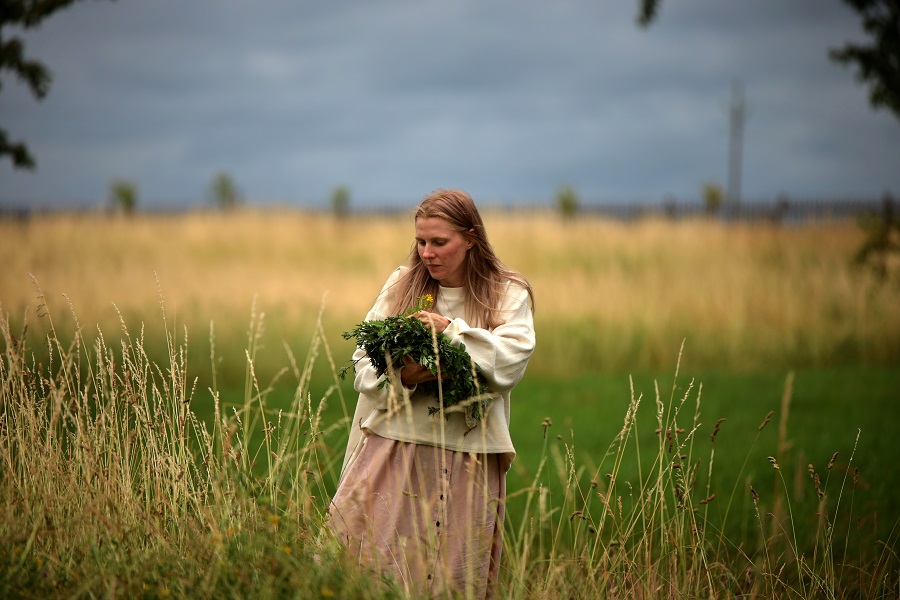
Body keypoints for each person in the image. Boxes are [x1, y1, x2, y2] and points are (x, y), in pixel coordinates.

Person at [328, 189, 535, 599]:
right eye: (421, 242)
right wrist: (407, 375)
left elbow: (509, 362)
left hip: (469, 456)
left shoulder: (507, 292)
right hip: (393, 449)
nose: (427, 253)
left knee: (452, 581)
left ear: (471, 238)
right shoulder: (402, 286)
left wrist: (450, 333)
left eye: (439, 242)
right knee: (368, 572)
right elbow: (363, 367)